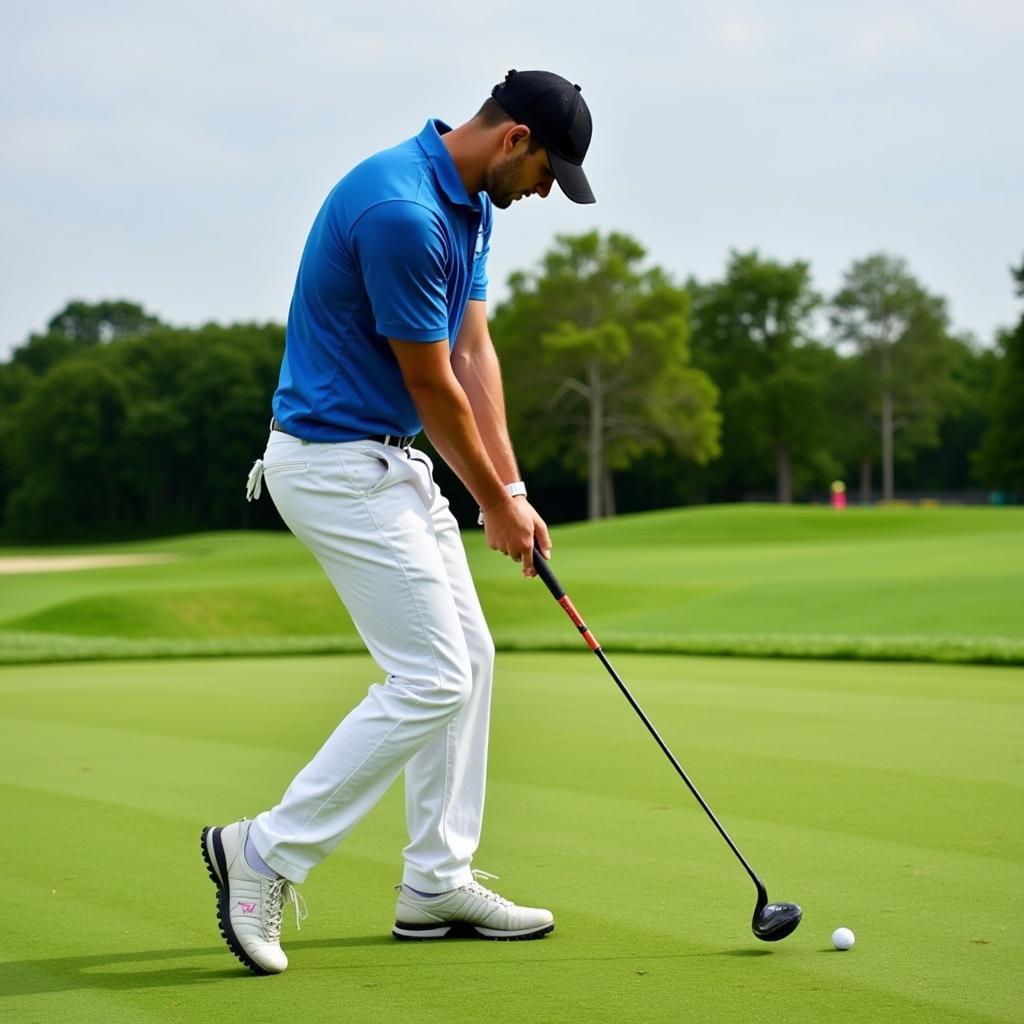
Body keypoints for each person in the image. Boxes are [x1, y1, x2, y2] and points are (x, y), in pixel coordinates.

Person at [200, 69, 596, 975]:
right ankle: (264, 851)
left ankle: (434, 882)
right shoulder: (403, 212)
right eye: (547, 172)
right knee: (431, 677)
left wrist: (515, 486)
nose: (544, 192)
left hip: (390, 462)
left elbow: (473, 349)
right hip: (335, 465)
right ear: (514, 139)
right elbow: (429, 381)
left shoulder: (470, 206)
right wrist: (490, 502)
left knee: (472, 661)